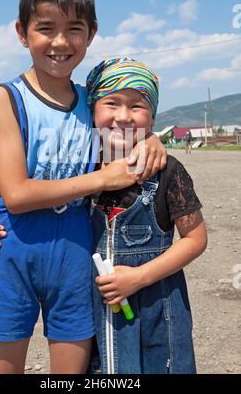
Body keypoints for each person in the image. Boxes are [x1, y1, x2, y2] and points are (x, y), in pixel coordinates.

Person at [0, 0, 166, 375]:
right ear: (22, 33)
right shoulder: (5, 98)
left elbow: (127, 131)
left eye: (73, 29)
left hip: (77, 252)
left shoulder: (92, 103)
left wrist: (150, 141)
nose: (60, 42)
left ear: (91, 34)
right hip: (14, 248)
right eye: (45, 28)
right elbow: (16, 195)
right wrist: (102, 179)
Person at [85, 58, 207, 374]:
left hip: (159, 315)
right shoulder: (79, 169)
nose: (123, 116)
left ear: (151, 118)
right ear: (93, 110)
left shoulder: (168, 172)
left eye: (137, 106)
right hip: (93, 318)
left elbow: (195, 239)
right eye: (111, 103)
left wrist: (139, 277)